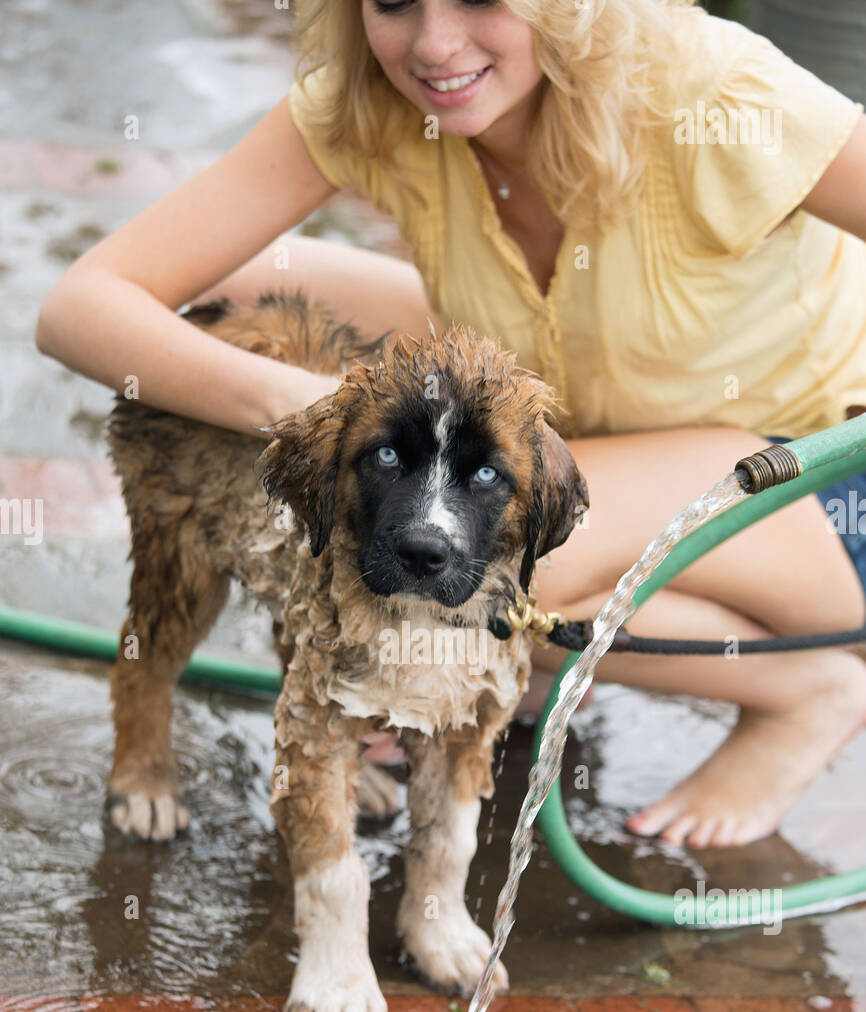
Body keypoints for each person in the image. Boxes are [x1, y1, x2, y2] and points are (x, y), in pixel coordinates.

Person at [36, 0, 866, 849]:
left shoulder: (712, 87)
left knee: (492, 551)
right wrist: (318, 418)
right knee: (231, 298)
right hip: (607, 432)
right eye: (394, 1)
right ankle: (538, 658)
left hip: (825, 494)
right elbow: (83, 305)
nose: (434, 44)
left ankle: (806, 691)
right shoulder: (376, 89)